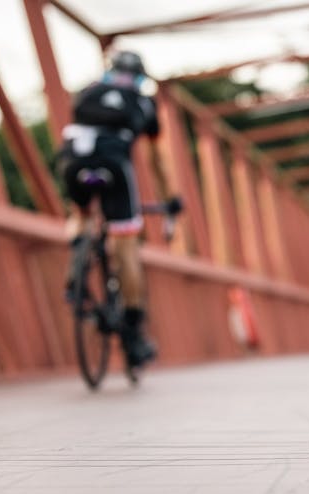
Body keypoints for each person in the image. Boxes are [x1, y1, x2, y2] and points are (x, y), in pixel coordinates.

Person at [58, 50, 182, 370]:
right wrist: (170, 197)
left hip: (74, 161)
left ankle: (76, 273)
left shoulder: (89, 92)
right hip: (114, 165)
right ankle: (133, 328)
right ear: (141, 75)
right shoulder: (142, 102)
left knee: (82, 213)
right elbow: (157, 160)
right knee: (126, 243)